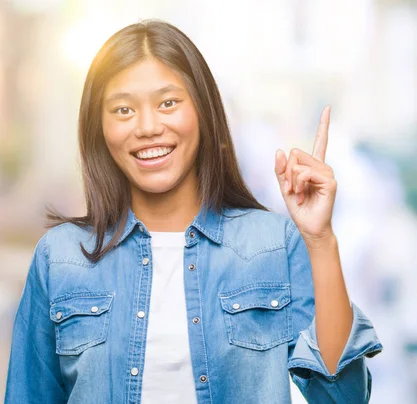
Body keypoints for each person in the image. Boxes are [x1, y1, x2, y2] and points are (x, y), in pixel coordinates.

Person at [4, 19, 382, 404]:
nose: (148, 126)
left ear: (202, 111)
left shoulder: (272, 244)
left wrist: (320, 239)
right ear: (98, 127)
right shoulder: (60, 257)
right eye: (122, 110)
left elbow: (342, 397)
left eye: (168, 103)